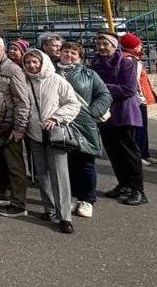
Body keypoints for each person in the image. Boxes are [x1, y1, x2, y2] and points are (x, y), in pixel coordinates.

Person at [22, 49, 81, 233]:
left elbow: (73, 103)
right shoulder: (24, 80)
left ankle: (65, 217)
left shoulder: (56, 80)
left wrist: (56, 117)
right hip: (34, 135)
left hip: (54, 133)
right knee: (42, 174)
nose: (32, 65)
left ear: (43, 62)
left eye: (35, 62)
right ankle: (50, 209)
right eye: (28, 62)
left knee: (60, 175)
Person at [56, 41, 111, 218]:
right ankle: (74, 195)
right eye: (66, 51)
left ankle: (88, 199)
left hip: (84, 125)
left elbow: (104, 95)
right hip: (60, 124)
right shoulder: (51, 72)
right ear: (60, 53)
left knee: (86, 163)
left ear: (80, 57)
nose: (69, 55)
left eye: (74, 53)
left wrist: (91, 114)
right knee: (67, 164)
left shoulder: (89, 74)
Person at [90, 32, 147, 205]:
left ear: (114, 45)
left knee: (129, 153)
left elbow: (128, 90)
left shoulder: (126, 63)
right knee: (114, 152)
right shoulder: (95, 62)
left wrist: (101, 88)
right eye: (98, 44)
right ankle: (124, 184)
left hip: (124, 113)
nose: (101, 47)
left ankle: (138, 190)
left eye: (105, 44)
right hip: (105, 114)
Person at [0, 35, 30, 218]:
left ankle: (18, 204)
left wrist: (19, 127)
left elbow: (22, 102)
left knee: (14, 166)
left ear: (3, 49)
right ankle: (3, 193)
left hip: (8, 125)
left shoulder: (13, 70)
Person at [119, 33, 156, 165]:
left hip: (138, 100)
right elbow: (134, 82)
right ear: (132, 46)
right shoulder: (131, 61)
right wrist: (140, 99)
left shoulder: (133, 59)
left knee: (141, 129)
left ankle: (144, 154)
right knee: (137, 130)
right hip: (136, 100)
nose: (141, 47)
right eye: (139, 45)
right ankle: (138, 155)